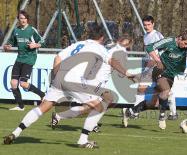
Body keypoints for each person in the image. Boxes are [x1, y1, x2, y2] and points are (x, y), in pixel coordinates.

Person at [3, 25, 136, 149]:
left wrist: (57, 79)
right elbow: (112, 61)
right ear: (101, 38)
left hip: (59, 78)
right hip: (75, 81)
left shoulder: (77, 44)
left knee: (42, 108)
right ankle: (83, 139)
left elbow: (57, 58)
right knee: (102, 104)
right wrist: (127, 73)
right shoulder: (100, 48)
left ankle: (16, 132)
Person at [50, 34, 133, 132]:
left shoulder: (113, 48)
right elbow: (119, 71)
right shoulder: (120, 52)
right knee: (98, 104)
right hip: (96, 80)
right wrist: (128, 75)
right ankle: (63, 118)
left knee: (101, 103)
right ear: (128, 45)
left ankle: (89, 123)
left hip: (95, 79)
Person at [3, 10, 45, 111]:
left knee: (23, 84)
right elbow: (11, 42)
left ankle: (42, 94)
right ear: (18, 19)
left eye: (24, 18)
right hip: (19, 58)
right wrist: (7, 46)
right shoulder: (16, 30)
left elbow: (42, 41)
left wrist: (35, 45)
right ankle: (21, 106)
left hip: (29, 59)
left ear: (27, 19)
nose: (23, 20)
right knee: (13, 83)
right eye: (21, 18)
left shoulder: (31, 30)